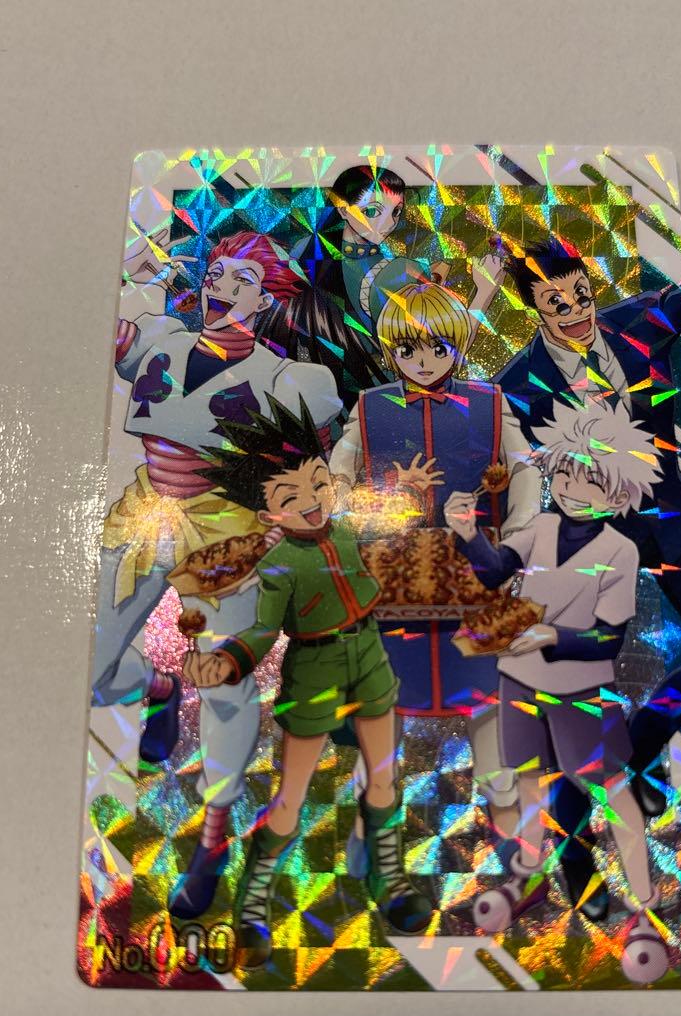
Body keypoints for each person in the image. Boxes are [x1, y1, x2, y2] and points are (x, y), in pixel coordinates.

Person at [93, 230, 343, 920]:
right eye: (217, 272)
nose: (222, 286)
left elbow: (315, 464)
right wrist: (127, 273)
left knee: (227, 689)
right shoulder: (159, 339)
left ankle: (213, 838)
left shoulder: (288, 379)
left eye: (242, 280)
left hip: (226, 530)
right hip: (146, 514)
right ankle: (157, 687)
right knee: (90, 666)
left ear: (265, 301)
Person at [182, 396, 432, 967]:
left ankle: (389, 881)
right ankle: (252, 902)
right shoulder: (278, 565)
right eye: (289, 497)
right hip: (314, 667)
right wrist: (228, 662)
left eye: (318, 483)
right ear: (267, 512)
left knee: (384, 781)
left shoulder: (345, 529)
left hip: (369, 657)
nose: (313, 502)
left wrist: (411, 495)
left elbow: (390, 525)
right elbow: (262, 631)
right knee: (290, 797)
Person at [445, 398, 671, 983]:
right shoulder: (541, 527)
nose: (573, 488)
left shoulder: (620, 551)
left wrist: (550, 634)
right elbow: (495, 571)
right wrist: (468, 534)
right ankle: (527, 872)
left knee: (610, 789)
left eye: (592, 482)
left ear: (620, 495)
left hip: (581, 692)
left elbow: (608, 641)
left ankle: (644, 902)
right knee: (526, 778)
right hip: (518, 678)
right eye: (567, 473)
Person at [497, 238, 681, 823]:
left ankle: (643, 747)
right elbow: (495, 456)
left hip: (671, 523)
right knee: (586, 675)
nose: (575, 310)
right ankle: (577, 798)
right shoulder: (519, 384)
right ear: (535, 308)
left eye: (581, 295)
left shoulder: (641, 321)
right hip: (593, 544)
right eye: (556, 303)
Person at [329, 281, 540, 855]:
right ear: (390, 350)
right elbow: (340, 473)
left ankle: (505, 810)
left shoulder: (490, 402)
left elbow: (524, 468)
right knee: (382, 701)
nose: (422, 361)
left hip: (474, 572)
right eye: (408, 350)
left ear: (458, 345)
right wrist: (362, 505)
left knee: (486, 697)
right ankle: (371, 817)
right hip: (391, 576)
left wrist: (518, 537)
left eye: (436, 348)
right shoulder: (370, 406)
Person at [267, 164, 504, 408]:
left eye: (396, 212)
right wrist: (485, 292)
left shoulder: (304, 250)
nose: (388, 223)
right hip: (387, 400)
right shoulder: (398, 272)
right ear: (343, 209)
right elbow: (444, 355)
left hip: (312, 395)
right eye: (372, 211)